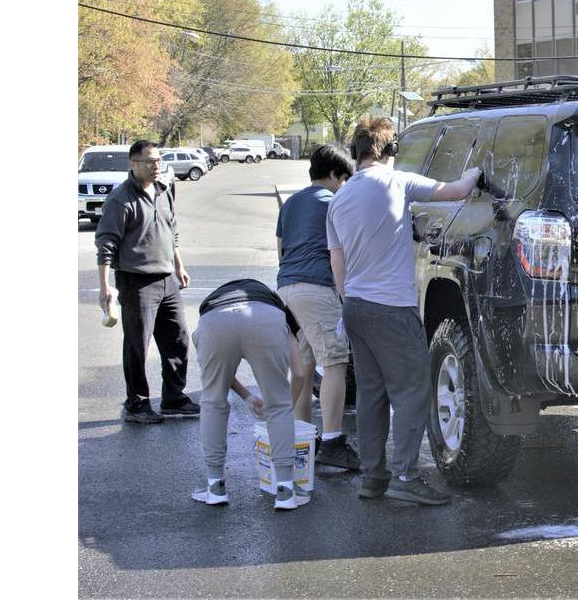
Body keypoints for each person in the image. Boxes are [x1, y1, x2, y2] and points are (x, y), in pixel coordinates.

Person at [326, 116, 482, 506]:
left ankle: (373, 477)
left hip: (356, 309)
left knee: (372, 395)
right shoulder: (398, 182)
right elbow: (457, 190)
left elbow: (338, 268)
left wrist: (351, 304)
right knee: (413, 392)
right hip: (392, 308)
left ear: (355, 153)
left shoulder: (338, 199)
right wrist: (478, 170)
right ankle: (407, 476)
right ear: (389, 150)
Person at [95, 140, 199, 424]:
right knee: (137, 346)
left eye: (158, 160)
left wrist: (179, 266)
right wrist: (105, 286)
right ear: (133, 164)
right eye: (149, 161)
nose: (156, 166)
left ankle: (173, 398)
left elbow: (171, 232)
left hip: (167, 279)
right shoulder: (120, 199)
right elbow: (106, 244)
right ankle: (136, 404)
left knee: (178, 338)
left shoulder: (164, 192)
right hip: (136, 282)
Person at [189, 279, 312, 510]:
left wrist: (247, 396)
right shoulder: (280, 310)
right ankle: (285, 491)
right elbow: (299, 374)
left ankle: (215, 487)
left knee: (213, 401)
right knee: (279, 403)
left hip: (213, 321)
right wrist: (278, 412)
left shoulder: (210, 312)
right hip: (265, 320)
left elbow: (219, 379)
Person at [276, 144, 361, 470]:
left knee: (307, 363)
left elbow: (281, 250)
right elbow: (344, 250)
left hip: (286, 288)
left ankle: (304, 438)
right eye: (344, 179)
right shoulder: (335, 201)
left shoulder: (292, 202)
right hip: (317, 287)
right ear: (336, 175)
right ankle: (333, 442)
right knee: (336, 362)